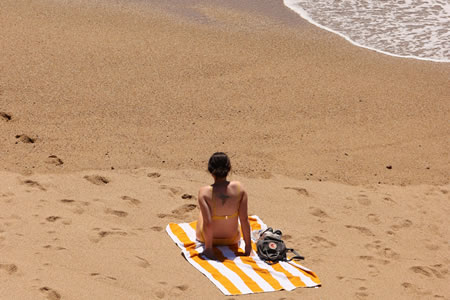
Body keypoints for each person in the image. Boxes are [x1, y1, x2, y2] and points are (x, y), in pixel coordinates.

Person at [196, 152, 252, 260]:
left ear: (210, 170)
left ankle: (209, 246)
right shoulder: (239, 188)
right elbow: (244, 219)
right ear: (229, 168)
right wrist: (248, 248)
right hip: (233, 238)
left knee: (203, 214)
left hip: (206, 238)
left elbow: (207, 223)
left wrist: (208, 249)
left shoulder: (204, 192)